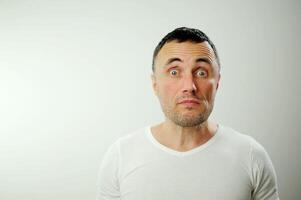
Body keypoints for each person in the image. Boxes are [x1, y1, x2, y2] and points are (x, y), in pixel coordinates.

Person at [96, 27, 280, 200]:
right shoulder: (120, 156)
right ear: (155, 84)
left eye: (201, 73)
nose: (189, 87)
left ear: (217, 83)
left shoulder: (250, 155)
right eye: (174, 72)